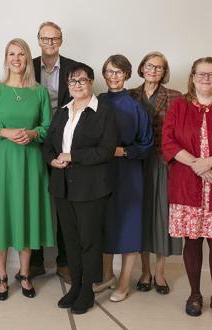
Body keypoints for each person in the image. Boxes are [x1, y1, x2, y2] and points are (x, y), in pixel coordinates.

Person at [0, 38, 54, 301]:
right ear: (6, 58)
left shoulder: (39, 92)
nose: (17, 59)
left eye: (21, 54)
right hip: (1, 162)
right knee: (3, 215)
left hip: (30, 162)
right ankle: (1, 275)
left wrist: (33, 133)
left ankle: (24, 273)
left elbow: (47, 128)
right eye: (12, 54)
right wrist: (6, 131)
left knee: (27, 214)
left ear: (28, 58)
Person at [42, 62, 117, 314]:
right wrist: (52, 159)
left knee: (89, 241)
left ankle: (87, 289)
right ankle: (74, 286)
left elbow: (105, 151)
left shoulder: (103, 112)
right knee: (71, 241)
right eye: (72, 82)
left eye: (82, 81)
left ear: (91, 82)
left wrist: (72, 156)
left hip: (91, 188)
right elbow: (48, 145)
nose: (77, 85)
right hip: (62, 186)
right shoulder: (62, 112)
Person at [94, 55, 153, 302]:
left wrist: (122, 151)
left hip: (128, 172)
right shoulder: (96, 102)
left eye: (118, 72)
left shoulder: (135, 106)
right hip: (102, 171)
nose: (113, 76)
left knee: (129, 225)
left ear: (127, 75)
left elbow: (147, 144)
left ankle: (123, 282)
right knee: (105, 224)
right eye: (109, 71)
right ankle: (107, 276)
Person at [162, 57, 212, 317]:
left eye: (211, 74)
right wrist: (197, 165)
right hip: (186, 185)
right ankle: (195, 294)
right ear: (192, 77)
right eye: (201, 74)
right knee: (191, 242)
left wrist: (209, 163)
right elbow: (168, 142)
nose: (206, 79)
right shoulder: (179, 105)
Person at [130, 52, 183, 294]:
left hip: (163, 164)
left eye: (159, 68)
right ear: (142, 68)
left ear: (164, 72)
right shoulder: (130, 95)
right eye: (150, 66)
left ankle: (160, 273)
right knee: (141, 218)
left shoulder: (176, 97)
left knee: (162, 218)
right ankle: (145, 271)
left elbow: (179, 135)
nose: (153, 70)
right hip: (137, 165)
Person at [29, 21, 77, 283]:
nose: (50, 43)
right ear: (38, 40)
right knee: (35, 200)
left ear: (61, 40)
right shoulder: (27, 66)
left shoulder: (73, 68)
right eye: (45, 39)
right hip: (35, 141)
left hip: (64, 142)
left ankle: (65, 262)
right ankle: (35, 262)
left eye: (54, 38)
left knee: (63, 202)